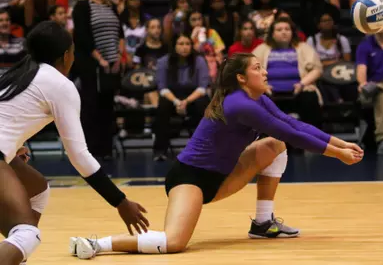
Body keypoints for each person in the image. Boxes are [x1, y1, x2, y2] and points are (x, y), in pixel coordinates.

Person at [69, 52, 363, 260]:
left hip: (224, 175)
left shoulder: (256, 97)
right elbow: (292, 133)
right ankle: (96, 243)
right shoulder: (240, 105)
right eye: (258, 68)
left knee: (275, 145)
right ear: (241, 78)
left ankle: (263, 223)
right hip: (190, 179)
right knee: (174, 243)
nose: (265, 72)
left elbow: (292, 125)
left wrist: (341, 144)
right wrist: (337, 155)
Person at [0, 21, 149, 265]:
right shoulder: (60, 85)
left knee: (38, 191)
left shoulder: (19, 72)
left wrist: (14, 145)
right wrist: (120, 202)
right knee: (28, 235)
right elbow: (79, 157)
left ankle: (16, 256)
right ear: (66, 55)